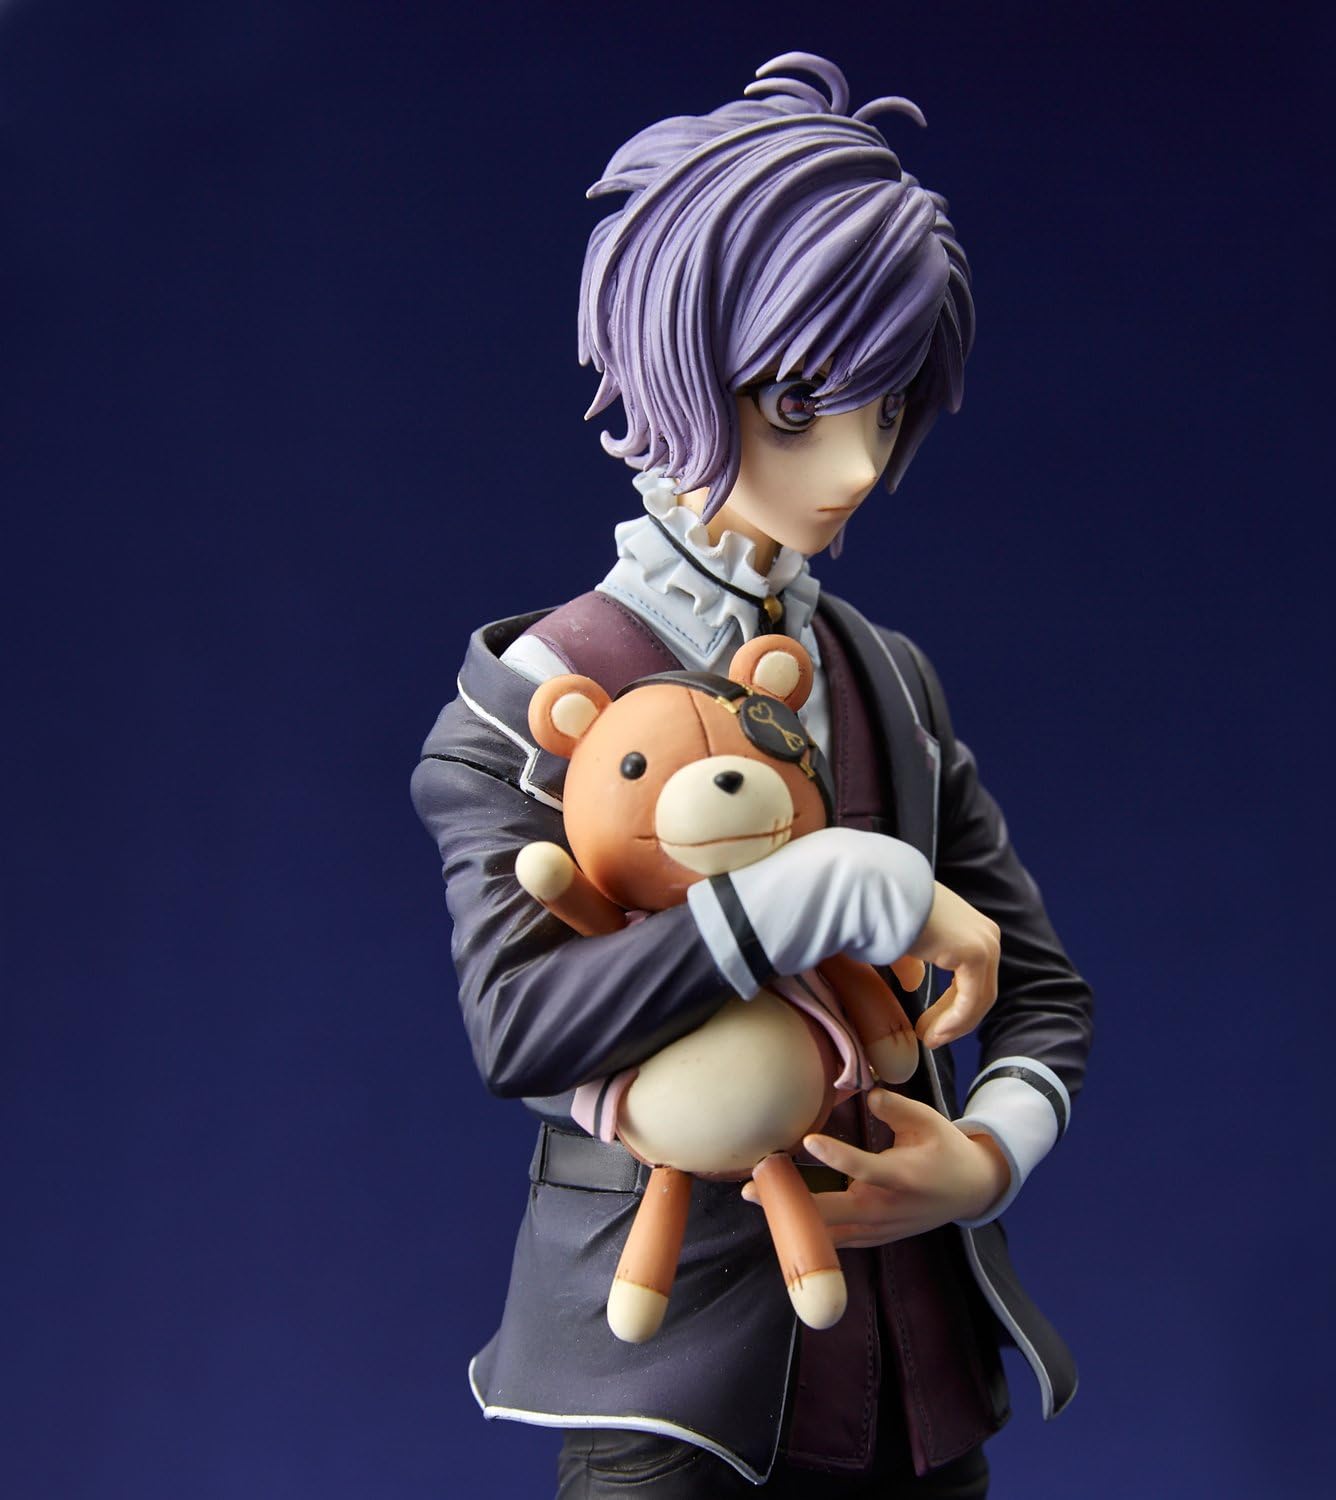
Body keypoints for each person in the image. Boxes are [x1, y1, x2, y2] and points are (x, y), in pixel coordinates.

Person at [411, 52, 1094, 1499]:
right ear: (675, 369)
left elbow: (1043, 989)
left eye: (884, 411)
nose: (852, 469)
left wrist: (984, 1159)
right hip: (672, 1372)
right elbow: (523, 1028)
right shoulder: (533, 697)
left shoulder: (888, 679)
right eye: (795, 407)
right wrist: (826, 884)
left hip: (914, 1370)